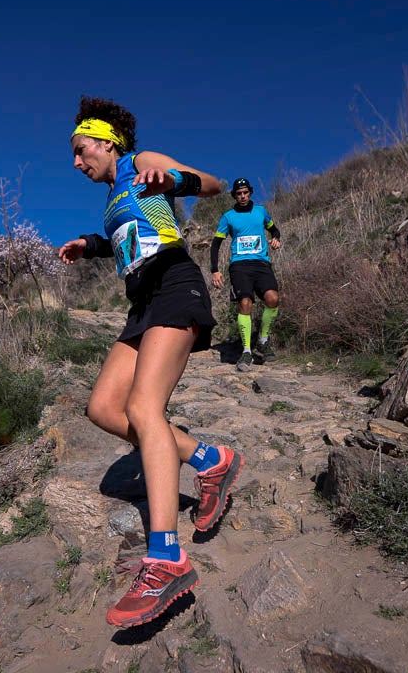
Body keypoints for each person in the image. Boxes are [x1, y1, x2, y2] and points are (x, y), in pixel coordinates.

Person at [58, 96, 245, 628]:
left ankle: (166, 559)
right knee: (103, 407)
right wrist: (91, 245)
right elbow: (130, 236)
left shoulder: (141, 164)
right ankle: (210, 459)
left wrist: (172, 180)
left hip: (174, 287)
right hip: (143, 303)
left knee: (144, 408)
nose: (76, 162)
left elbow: (211, 184)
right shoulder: (116, 191)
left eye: (80, 150)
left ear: (107, 141)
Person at [209, 178, 282, 371]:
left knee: (272, 298)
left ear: (250, 193)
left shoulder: (261, 211)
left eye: (245, 193)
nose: (242, 196)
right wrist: (214, 269)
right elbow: (216, 243)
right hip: (239, 266)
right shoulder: (228, 216)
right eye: (238, 193)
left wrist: (276, 238)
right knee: (245, 303)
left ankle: (263, 341)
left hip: (261, 264)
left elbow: (274, 229)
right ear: (234, 195)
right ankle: (247, 350)